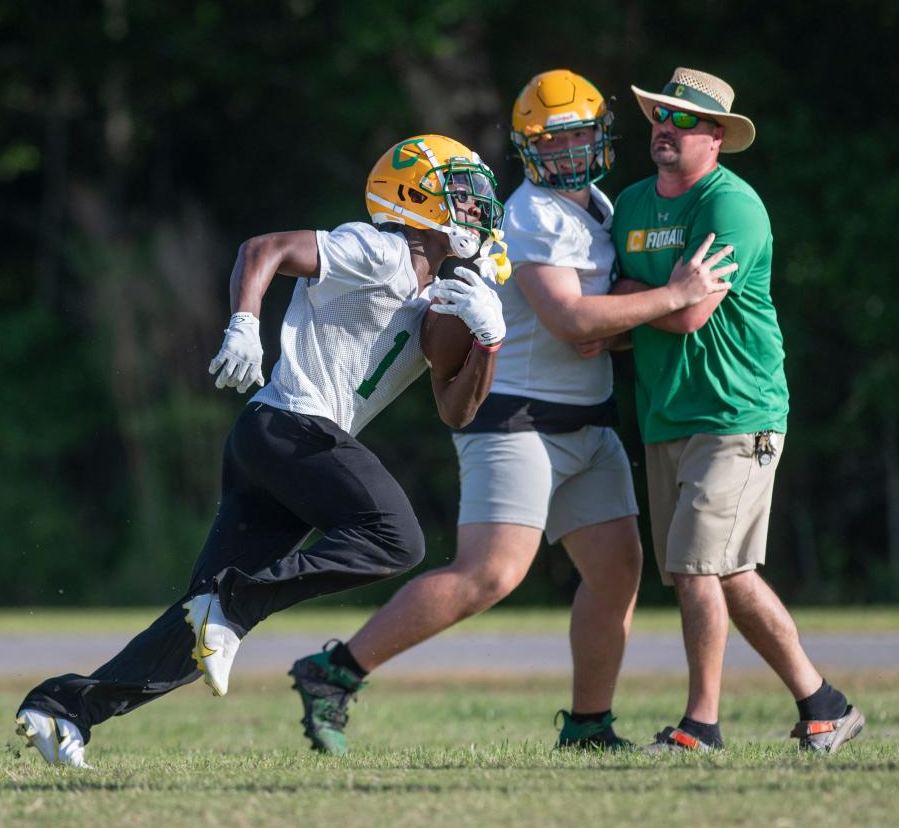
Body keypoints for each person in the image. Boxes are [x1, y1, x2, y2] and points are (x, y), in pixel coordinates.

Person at [13, 134, 511, 767]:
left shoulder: (435, 291)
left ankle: (64, 708)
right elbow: (265, 248)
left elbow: (456, 410)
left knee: (192, 634)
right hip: (290, 427)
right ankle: (235, 603)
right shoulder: (382, 249)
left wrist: (489, 341)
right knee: (397, 538)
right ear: (416, 198)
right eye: (462, 196)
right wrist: (244, 323)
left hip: (276, 446)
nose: (476, 210)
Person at [288, 70, 737, 755]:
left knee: (618, 570)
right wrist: (674, 296)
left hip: (585, 417)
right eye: (552, 140)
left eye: (580, 135)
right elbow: (569, 320)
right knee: (490, 573)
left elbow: (599, 327)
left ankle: (589, 725)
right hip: (515, 418)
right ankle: (333, 672)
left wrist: (614, 322)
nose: (568, 151)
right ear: (528, 148)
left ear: (600, 136)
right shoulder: (530, 212)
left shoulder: (601, 206)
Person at [610, 67, 865, 754]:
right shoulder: (630, 203)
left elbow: (692, 311)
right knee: (725, 571)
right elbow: (608, 306)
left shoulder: (733, 206)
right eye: (661, 115)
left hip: (737, 412)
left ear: (716, 137)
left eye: (686, 119)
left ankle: (701, 727)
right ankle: (824, 703)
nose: (668, 127)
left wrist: (635, 295)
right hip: (667, 412)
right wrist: (643, 295)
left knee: (699, 568)